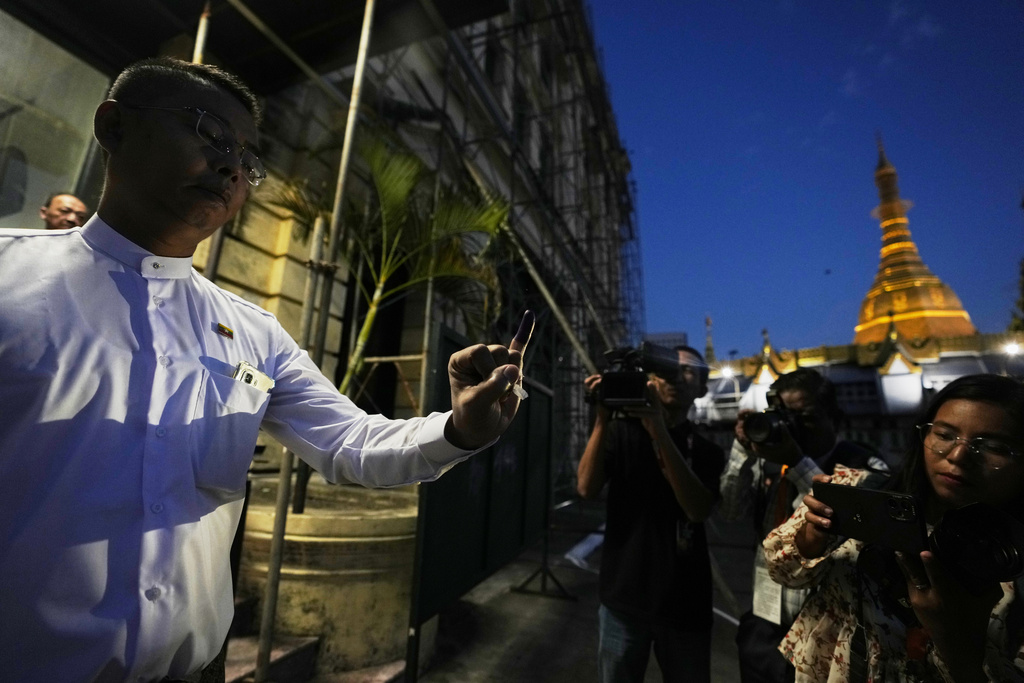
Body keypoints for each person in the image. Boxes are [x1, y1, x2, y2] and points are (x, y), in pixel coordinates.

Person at [0, 58, 533, 683]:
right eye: (208, 132)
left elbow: (350, 445)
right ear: (114, 128)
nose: (232, 167)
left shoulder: (253, 332)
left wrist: (458, 431)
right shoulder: (10, 277)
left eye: (248, 159)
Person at [764, 374, 1024, 681]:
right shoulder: (859, 491)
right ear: (923, 435)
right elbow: (780, 570)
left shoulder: (1013, 564)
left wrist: (955, 637)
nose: (958, 456)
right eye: (944, 435)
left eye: (992, 445)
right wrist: (811, 537)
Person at [719, 368, 884, 683]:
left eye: (803, 417)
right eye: (784, 416)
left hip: (826, 631)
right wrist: (742, 451)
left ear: (833, 417)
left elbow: (851, 524)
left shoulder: (864, 465)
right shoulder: (770, 463)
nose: (792, 426)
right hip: (765, 622)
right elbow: (728, 511)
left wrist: (798, 463)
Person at [577, 346, 725, 683]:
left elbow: (697, 509)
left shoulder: (707, 451)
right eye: (666, 370)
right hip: (623, 599)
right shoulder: (622, 432)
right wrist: (602, 417)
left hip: (686, 605)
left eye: (687, 371)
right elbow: (586, 487)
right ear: (651, 380)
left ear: (702, 388)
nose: (675, 377)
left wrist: (657, 426)